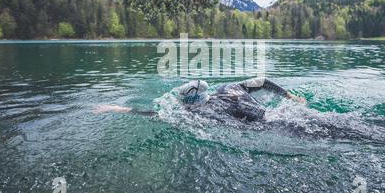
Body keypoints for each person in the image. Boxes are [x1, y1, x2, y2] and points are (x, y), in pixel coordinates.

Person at [94, 77, 306, 122]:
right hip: (284, 114)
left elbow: (156, 114)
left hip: (277, 126)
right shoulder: (228, 87)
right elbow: (262, 80)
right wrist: (291, 96)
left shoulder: (197, 112)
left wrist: (118, 109)